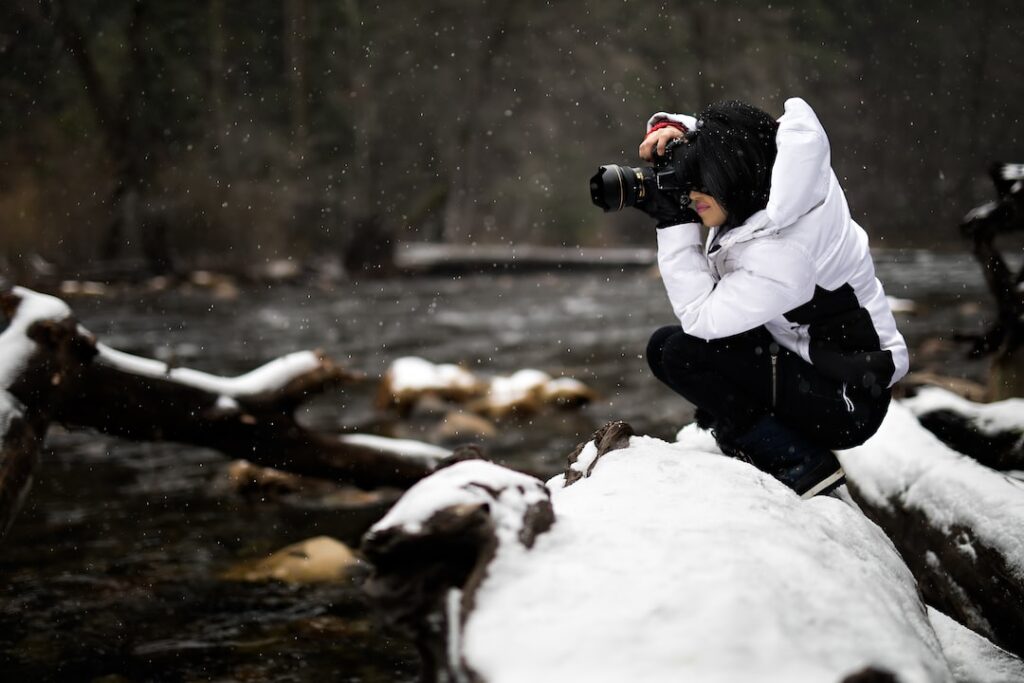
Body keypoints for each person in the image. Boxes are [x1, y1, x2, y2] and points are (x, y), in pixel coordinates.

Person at [636, 98, 908, 498]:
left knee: (681, 352)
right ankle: (763, 437)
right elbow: (745, 138)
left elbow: (700, 316)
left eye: (700, 180)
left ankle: (798, 461)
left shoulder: (784, 252)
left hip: (847, 401)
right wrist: (678, 130)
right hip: (820, 366)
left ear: (733, 177)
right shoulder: (779, 183)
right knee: (664, 347)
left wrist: (674, 224)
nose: (690, 192)